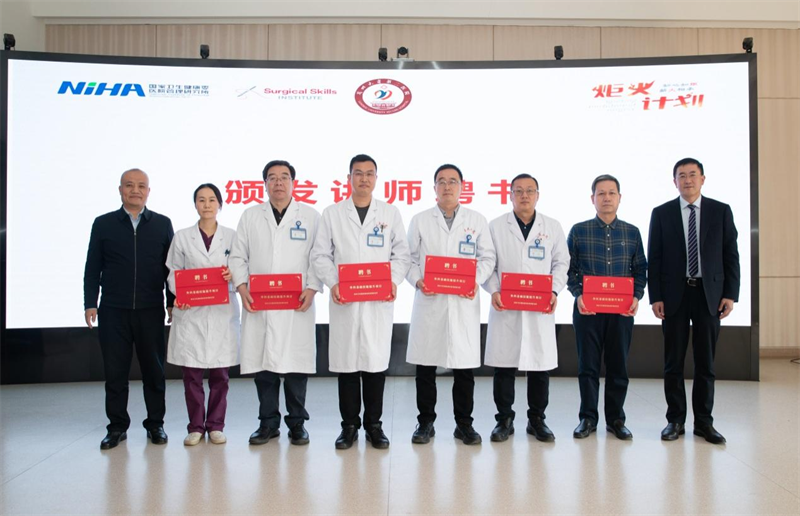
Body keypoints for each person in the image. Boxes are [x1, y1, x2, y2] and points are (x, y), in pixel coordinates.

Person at [311, 154, 410, 450]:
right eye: (358, 173)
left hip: (377, 303)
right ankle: (349, 426)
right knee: (347, 367)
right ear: (349, 178)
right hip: (346, 301)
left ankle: (374, 426)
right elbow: (320, 255)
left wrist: (393, 281)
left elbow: (402, 254)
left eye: (369, 173)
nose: (364, 178)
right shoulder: (332, 213)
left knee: (375, 366)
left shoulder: (390, 213)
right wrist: (334, 282)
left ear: (376, 179)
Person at [229, 160, 322, 446]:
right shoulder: (250, 216)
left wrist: (313, 287)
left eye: (284, 177)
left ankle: (297, 423)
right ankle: (268, 423)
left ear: (294, 183)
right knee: (264, 367)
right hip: (261, 303)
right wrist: (241, 287)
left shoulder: (310, 216)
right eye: (272, 178)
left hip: (297, 304)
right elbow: (237, 256)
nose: (278, 182)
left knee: (296, 367)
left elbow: (319, 257)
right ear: (265, 184)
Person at [648, 158, 740, 444]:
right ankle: (675, 420)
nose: (687, 180)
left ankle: (704, 422)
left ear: (702, 179)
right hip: (674, 296)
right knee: (673, 363)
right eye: (681, 176)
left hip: (708, 295)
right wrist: (656, 297)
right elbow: (655, 258)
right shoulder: (661, 213)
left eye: (692, 175)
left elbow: (730, 255)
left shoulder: (720, 211)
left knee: (705, 363)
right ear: (674, 181)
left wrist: (730, 294)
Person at [83, 168, 174, 450]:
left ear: (148, 191)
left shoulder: (162, 224)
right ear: (120, 189)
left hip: (150, 309)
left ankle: (155, 424)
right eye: (129, 185)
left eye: (141, 186)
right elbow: (92, 266)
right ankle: (117, 427)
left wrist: (171, 301)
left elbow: (170, 269)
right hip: (113, 309)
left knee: (154, 372)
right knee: (115, 373)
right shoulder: (103, 224)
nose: (135, 190)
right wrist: (90, 302)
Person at [406, 164, 496, 446]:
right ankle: (425, 423)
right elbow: (408, 258)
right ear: (434, 187)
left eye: (453, 181)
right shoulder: (420, 220)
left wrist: (474, 280)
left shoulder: (476, 220)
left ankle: (464, 424)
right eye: (441, 181)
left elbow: (487, 258)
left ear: (462, 187)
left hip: (462, 303)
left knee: (464, 369)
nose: (447, 186)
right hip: (430, 301)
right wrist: (418, 281)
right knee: (425, 368)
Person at [484, 174, 569, 443]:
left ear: (537, 195)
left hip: (538, 309)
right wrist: (494, 290)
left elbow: (562, 263)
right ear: (510, 195)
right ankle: (504, 420)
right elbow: (488, 264)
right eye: (518, 191)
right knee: (504, 367)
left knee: (539, 367)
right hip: (506, 308)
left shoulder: (552, 226)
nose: (524, 195)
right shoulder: (496, 226)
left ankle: (537, 420)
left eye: (529, 191)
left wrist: (554, 290)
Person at [566, 174, 646, 441]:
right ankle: (587, 418)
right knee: (587, 367)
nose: (607, 198)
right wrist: (578, 294)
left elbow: (641, 269)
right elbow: (569, 269)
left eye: (612, 193)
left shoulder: (632, 232)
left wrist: (636, 296)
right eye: (601, 193)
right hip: (587, 312)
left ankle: (616, 420)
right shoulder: (579, 231)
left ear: (619, 198)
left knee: (618, 367)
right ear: (593, 199)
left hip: (621, 312)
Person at [166, 183, 240, 446]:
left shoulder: (232, 236)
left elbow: (243, 268)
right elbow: (173, 272)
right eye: (201, 200)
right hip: (192, 314)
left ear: (220, 204)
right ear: (195, 204)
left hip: (221, 313)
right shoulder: (182, 237)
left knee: (221, 376)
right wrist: (180, 295)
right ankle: (196, 426)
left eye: (211, 199)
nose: (207, 204)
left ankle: (216, 425)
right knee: (192, 376)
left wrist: (233, 275)